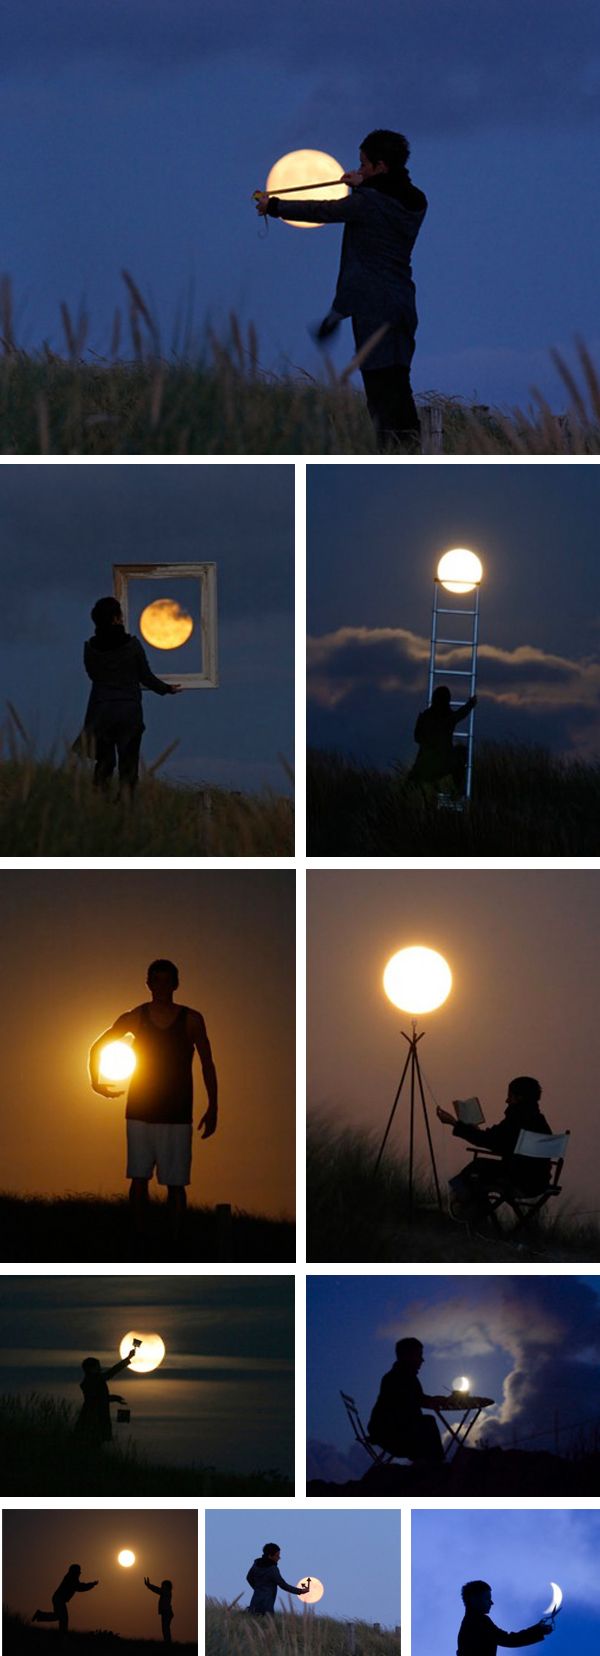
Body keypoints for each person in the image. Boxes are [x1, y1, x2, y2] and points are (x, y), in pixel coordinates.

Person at [255, 129, 427, 452]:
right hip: (403, 304)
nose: (357, 169)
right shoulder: (415, 202)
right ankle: (411, 452)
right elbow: (393, 194)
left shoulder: (368, 203)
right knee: (398, 382)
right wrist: (366, 184)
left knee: (380, 392)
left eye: (363, 164)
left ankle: (394, 456)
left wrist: (274, 206)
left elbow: (324, 211)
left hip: (373, 308)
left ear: (380, 166)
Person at [89, 958, 218, 1243]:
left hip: (178, 1113)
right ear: (148, 984)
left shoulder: (192, 1019)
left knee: (176, 1183)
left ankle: (175, 1240)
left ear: (175, 984)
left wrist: (214, 1106)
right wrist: (95, 1081)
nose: (161, 986)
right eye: (155, 980)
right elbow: (99, 1045)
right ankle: (138, 1236)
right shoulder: (136, 1016)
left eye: (166, 980)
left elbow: (207, 1062)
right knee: (138, 1178)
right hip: (140, 1111)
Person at [74, 595, 182, 796]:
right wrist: (167, 689)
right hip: (128, 711)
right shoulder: (132, 645)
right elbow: (146, 676)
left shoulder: (90, 647)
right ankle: (126, 805)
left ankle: (99, 802)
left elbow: (92, 674)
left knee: (105, 761)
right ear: (116, 618)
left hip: (101, 710)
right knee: (128, 763)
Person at [437, 1077, 552, 1228]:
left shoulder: (517, 1119)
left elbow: (491, 1140)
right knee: (479, 1169)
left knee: (476, 1169)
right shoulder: (539, 1120)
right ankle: (475, 1216)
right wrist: (477, 1133)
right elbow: (498, 1141)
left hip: (520, 1180)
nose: (506, 1100)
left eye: (509, 1096)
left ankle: (460, 1210)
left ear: (519, 1098)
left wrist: (453, 1122)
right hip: (539, 1181)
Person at [367, 1336, 445, 1462]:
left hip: (388, 1431)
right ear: (408, 1356)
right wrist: (435, 1401)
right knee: (428, 1423)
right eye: (419, 1355)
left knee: (426, 1424)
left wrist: (434, 1400)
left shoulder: (400, 1376)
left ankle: (432, 1465)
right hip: (391, 1434)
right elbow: (415, 1401)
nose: (422, 1360)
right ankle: (436, 1466)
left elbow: (416, 1399)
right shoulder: (400, 1378)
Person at [409, 686, 477, 791]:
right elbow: (460, 714)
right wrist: (471, 704)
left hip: (424, 763)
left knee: (412, 782)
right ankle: (459, 791)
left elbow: (417, 737)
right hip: (443, 762)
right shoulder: (448, 718)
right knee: (462, 753)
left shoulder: (425, 716)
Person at [457, 1581, 553, 1655]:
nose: (491, 1602)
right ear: (473, 1599)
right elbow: (508, 1640)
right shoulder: (479, 1621)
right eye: (487, 1598)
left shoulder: (469, 1623)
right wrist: (538, 1630)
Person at [73, 1346, 136, 1446]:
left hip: (94, 1416)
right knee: (92, 1444)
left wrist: (114, 1398)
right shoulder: (93, 1381)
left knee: (93, 1443)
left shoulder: (92, 1380)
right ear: (91, 1369)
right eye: (97, 1366)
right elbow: (110, 1374)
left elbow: (100, 1396)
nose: (100, 1368)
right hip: (93, 1417)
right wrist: (128, 1359)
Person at [246, 1544, 311, 1616]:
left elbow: (249, 1578)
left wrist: (258, 1589)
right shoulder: (272, 1569)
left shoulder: (256, 1564)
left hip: (255, 1601)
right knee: (267, 1624)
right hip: (267, 1604)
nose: (279, 1557)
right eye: (277, 1555)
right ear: (270, 1556)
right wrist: (300, 1591)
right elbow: (283, 1585)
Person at [33, 1564, 99, 1633]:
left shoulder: (72, 1577)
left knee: (58, 1616)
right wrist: (91, 1584)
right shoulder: (71, 1578)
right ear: (75, 1571)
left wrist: (91, 1585)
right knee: (63, 1618)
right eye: (78, 1571)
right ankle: (62, 1634)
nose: (79, 1573)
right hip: (59, 1599)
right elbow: (80, 1587)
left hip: (59, 1599)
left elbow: (79, 1586)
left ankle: (40, 1615)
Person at [144, 1576, 174, 1643]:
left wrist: (149, 1585)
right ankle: (167, 1641)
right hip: (167, 1612)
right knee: (165, 1628)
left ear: (166, 1586)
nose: (161, 1586)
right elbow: (158, 1590)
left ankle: (167, 1642)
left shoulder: (166, 1592)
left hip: (167, 1612)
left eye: (163, 1585)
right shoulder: (166, 1592)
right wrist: (149, 1585)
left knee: (165, 1628)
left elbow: (157, 1590)